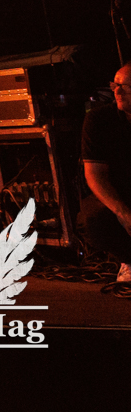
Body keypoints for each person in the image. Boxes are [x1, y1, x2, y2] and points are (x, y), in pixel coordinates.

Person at [80, 63, 131, 284]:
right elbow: (95, 175)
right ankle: (128, 260)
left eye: (125, 86)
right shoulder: (99, 119)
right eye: (115, 85)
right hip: (121, 190)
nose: (117, 92)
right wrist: (123, 213)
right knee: (93, 219)